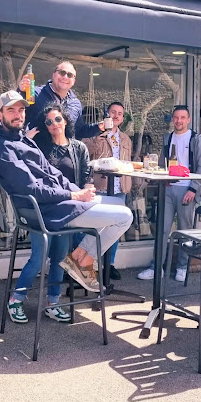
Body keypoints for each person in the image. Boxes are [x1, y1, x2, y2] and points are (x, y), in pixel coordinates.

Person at [0, 90, 133, 324]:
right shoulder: (3, 148)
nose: (18, 114)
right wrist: (74, 194)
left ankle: (56, 297)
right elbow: (32, 188)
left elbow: (52, 172)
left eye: (21, 109)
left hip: (60, 204)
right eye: (11, 110)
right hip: (44, 211)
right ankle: (80, 261)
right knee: (124, 217)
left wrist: (79, 192)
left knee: (117, 205)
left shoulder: (22, 140)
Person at [10, 105, 90, 323]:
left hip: (69, 209)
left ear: (65, 120)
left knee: (60, 259)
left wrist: (85, 193)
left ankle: (52, 303)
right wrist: (25, 139)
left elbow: (83, 178)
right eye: (48, 122)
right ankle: (16, 299)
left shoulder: (78, 148)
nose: (53, 124)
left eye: (57, 119)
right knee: (38, 258)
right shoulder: (40, 147)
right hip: (45, 210)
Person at [137, 105, 201, 282]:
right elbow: (163, 163)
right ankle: (157, 267)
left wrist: (193, 188)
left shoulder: (196, 139)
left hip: (187, 189)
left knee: (185, 231)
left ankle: (182, 267)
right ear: (172, 119)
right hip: (168, 188)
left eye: (182, 117)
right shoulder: (168, 138)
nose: (179, 121)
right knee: (162, 229)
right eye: (176, 117)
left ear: (188, 119)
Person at [83, 102, 132, 280]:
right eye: (113, 112)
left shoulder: (126, 138)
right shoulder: (96, 135)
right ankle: (90, 264)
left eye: (120, 113)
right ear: (107, 115)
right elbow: (86, 154)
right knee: (97, 227)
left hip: (120, 187)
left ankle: (109, 264)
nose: (116, 116)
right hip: (101, 186)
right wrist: (98, 135)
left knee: (116, 228)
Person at [19, 60, 104, 139]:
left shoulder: (75, 103)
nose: (65, 77)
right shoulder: (35, 94)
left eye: (70, 75)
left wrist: (98, 127)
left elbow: (78, 131)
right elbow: (13, 114)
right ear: (53, 74)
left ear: (74, 81)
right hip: (36, 151)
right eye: (62, 73)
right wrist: (20, 90)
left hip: (63, 153)